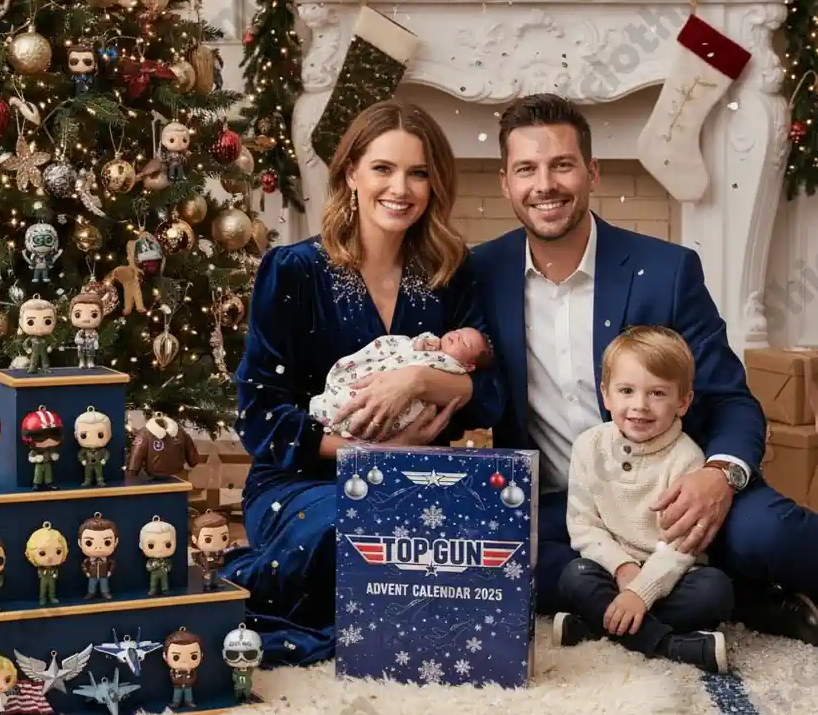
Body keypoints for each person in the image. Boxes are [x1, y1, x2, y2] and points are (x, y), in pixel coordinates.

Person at [470, 92, 818, 645]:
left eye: (562, 164)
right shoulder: (480, 273)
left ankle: (676, 590)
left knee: (770, 532)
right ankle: (736, 597)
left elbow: (730, 398)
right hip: (571, 510)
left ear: (591, 173)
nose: (546, 185)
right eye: (526, 169)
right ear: (506, 183)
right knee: (494, 556)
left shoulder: (666, 270)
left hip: (676, 491)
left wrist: (717, 476)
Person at [221, 100, 507, 664]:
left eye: (418, 173)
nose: (401, 188)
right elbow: (260, 416)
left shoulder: (451, 275)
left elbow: (491, 398)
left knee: (472, 541)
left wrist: (420, 379)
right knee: (354, 528)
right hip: (305, 483)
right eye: (383, 168)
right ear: (350, 172)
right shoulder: (295, 270)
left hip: (420, 482)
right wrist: (368, 454)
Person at [556, 326, 734, 673]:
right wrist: (623, 569)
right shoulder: (588, 447)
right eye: (626, 391)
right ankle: (672, 646)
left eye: (657, 393)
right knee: (573, 577)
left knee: (715, 591)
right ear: (606, 396)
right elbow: (583, 527)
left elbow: (682, 545)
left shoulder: (686, 458)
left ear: (683, 402)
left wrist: (642, 591)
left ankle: (597, 626)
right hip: (613, 569)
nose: (639, 405)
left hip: (669, 575)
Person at [309, 327, 492, 438]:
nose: (457, 337)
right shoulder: (431, 341)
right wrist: (419, 345)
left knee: (370, 412)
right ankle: (332, 406)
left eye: (465, 343)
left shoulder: (452, 367)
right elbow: (407, 348)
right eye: (458, 332)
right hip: (384, 371)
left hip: (404, 404)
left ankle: (335, 416)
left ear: (468, 366)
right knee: (359, 387)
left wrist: (420, 378)